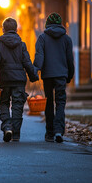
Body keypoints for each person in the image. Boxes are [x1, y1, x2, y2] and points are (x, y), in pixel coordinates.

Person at [0, 17, 38, 142]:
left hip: (5, 80)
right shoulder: (21, 45)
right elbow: (27, 62)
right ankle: (15, 134)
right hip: (19, 80)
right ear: (16, 29)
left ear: (3, 29)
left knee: (4, 103)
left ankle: (7, 127)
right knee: (17, 105)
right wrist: (33, 76)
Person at [33, 13, 74, 143]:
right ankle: (58, 131)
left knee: (49, 103)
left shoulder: (42, 38)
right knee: (60, 102)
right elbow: (69, 60)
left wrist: (35, 72)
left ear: (47, 24)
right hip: (62, 74)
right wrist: (69, 75)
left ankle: (49, 133)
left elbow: (39, 57)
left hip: (48, 75)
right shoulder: (67, 39)